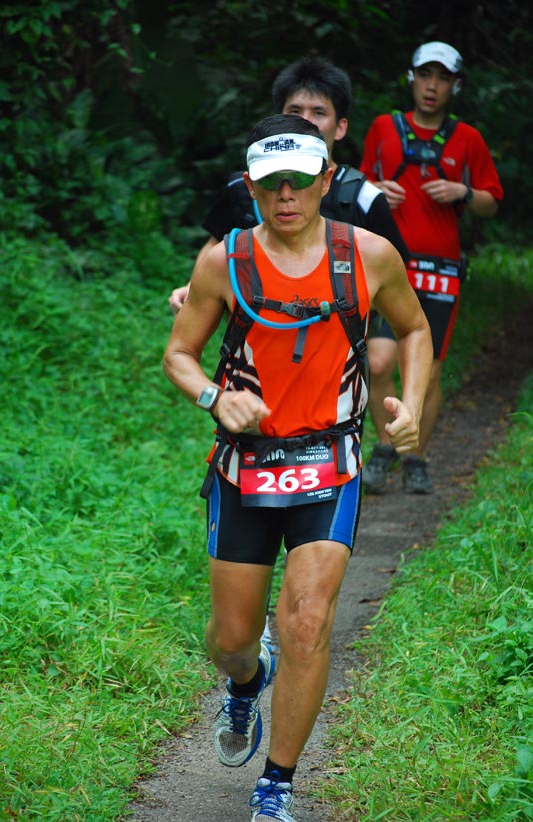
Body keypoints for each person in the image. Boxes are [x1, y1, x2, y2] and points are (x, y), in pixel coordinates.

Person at [163, 114, 432, 821]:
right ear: (250, 187)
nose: (287, 194)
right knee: (230, 640)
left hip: (330, 461)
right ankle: (248, 683)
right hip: (244, 469)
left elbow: (413, 327)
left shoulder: (368, 255)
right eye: (272, 182)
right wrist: (214, 397)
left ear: (325, 181)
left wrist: (410, 406)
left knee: (308, 620)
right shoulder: (223, 261)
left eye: (301, 180)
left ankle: (276, 787)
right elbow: (179, 355)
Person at [359, 41, 504, 494]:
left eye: (442, 78)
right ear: (412, 78)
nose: (432, 86)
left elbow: (491, 203)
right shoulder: (384, 128)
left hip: (439, 269)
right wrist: (376, 187)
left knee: (429, 368)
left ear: (455, 85)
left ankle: (415, 456)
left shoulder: (469, 139)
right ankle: (385, 446)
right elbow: (353, 184)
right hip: (387, 263)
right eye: (425, 75)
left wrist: (461, 192)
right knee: (378, 359)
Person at [168, 56, 408, 314]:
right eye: (294, 112)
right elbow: (215, 244)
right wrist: (194, 289)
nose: (305, 122)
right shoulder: (244, 187)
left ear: (340, 127)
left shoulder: (364, 198)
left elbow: (393, 277)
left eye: (318, 112)